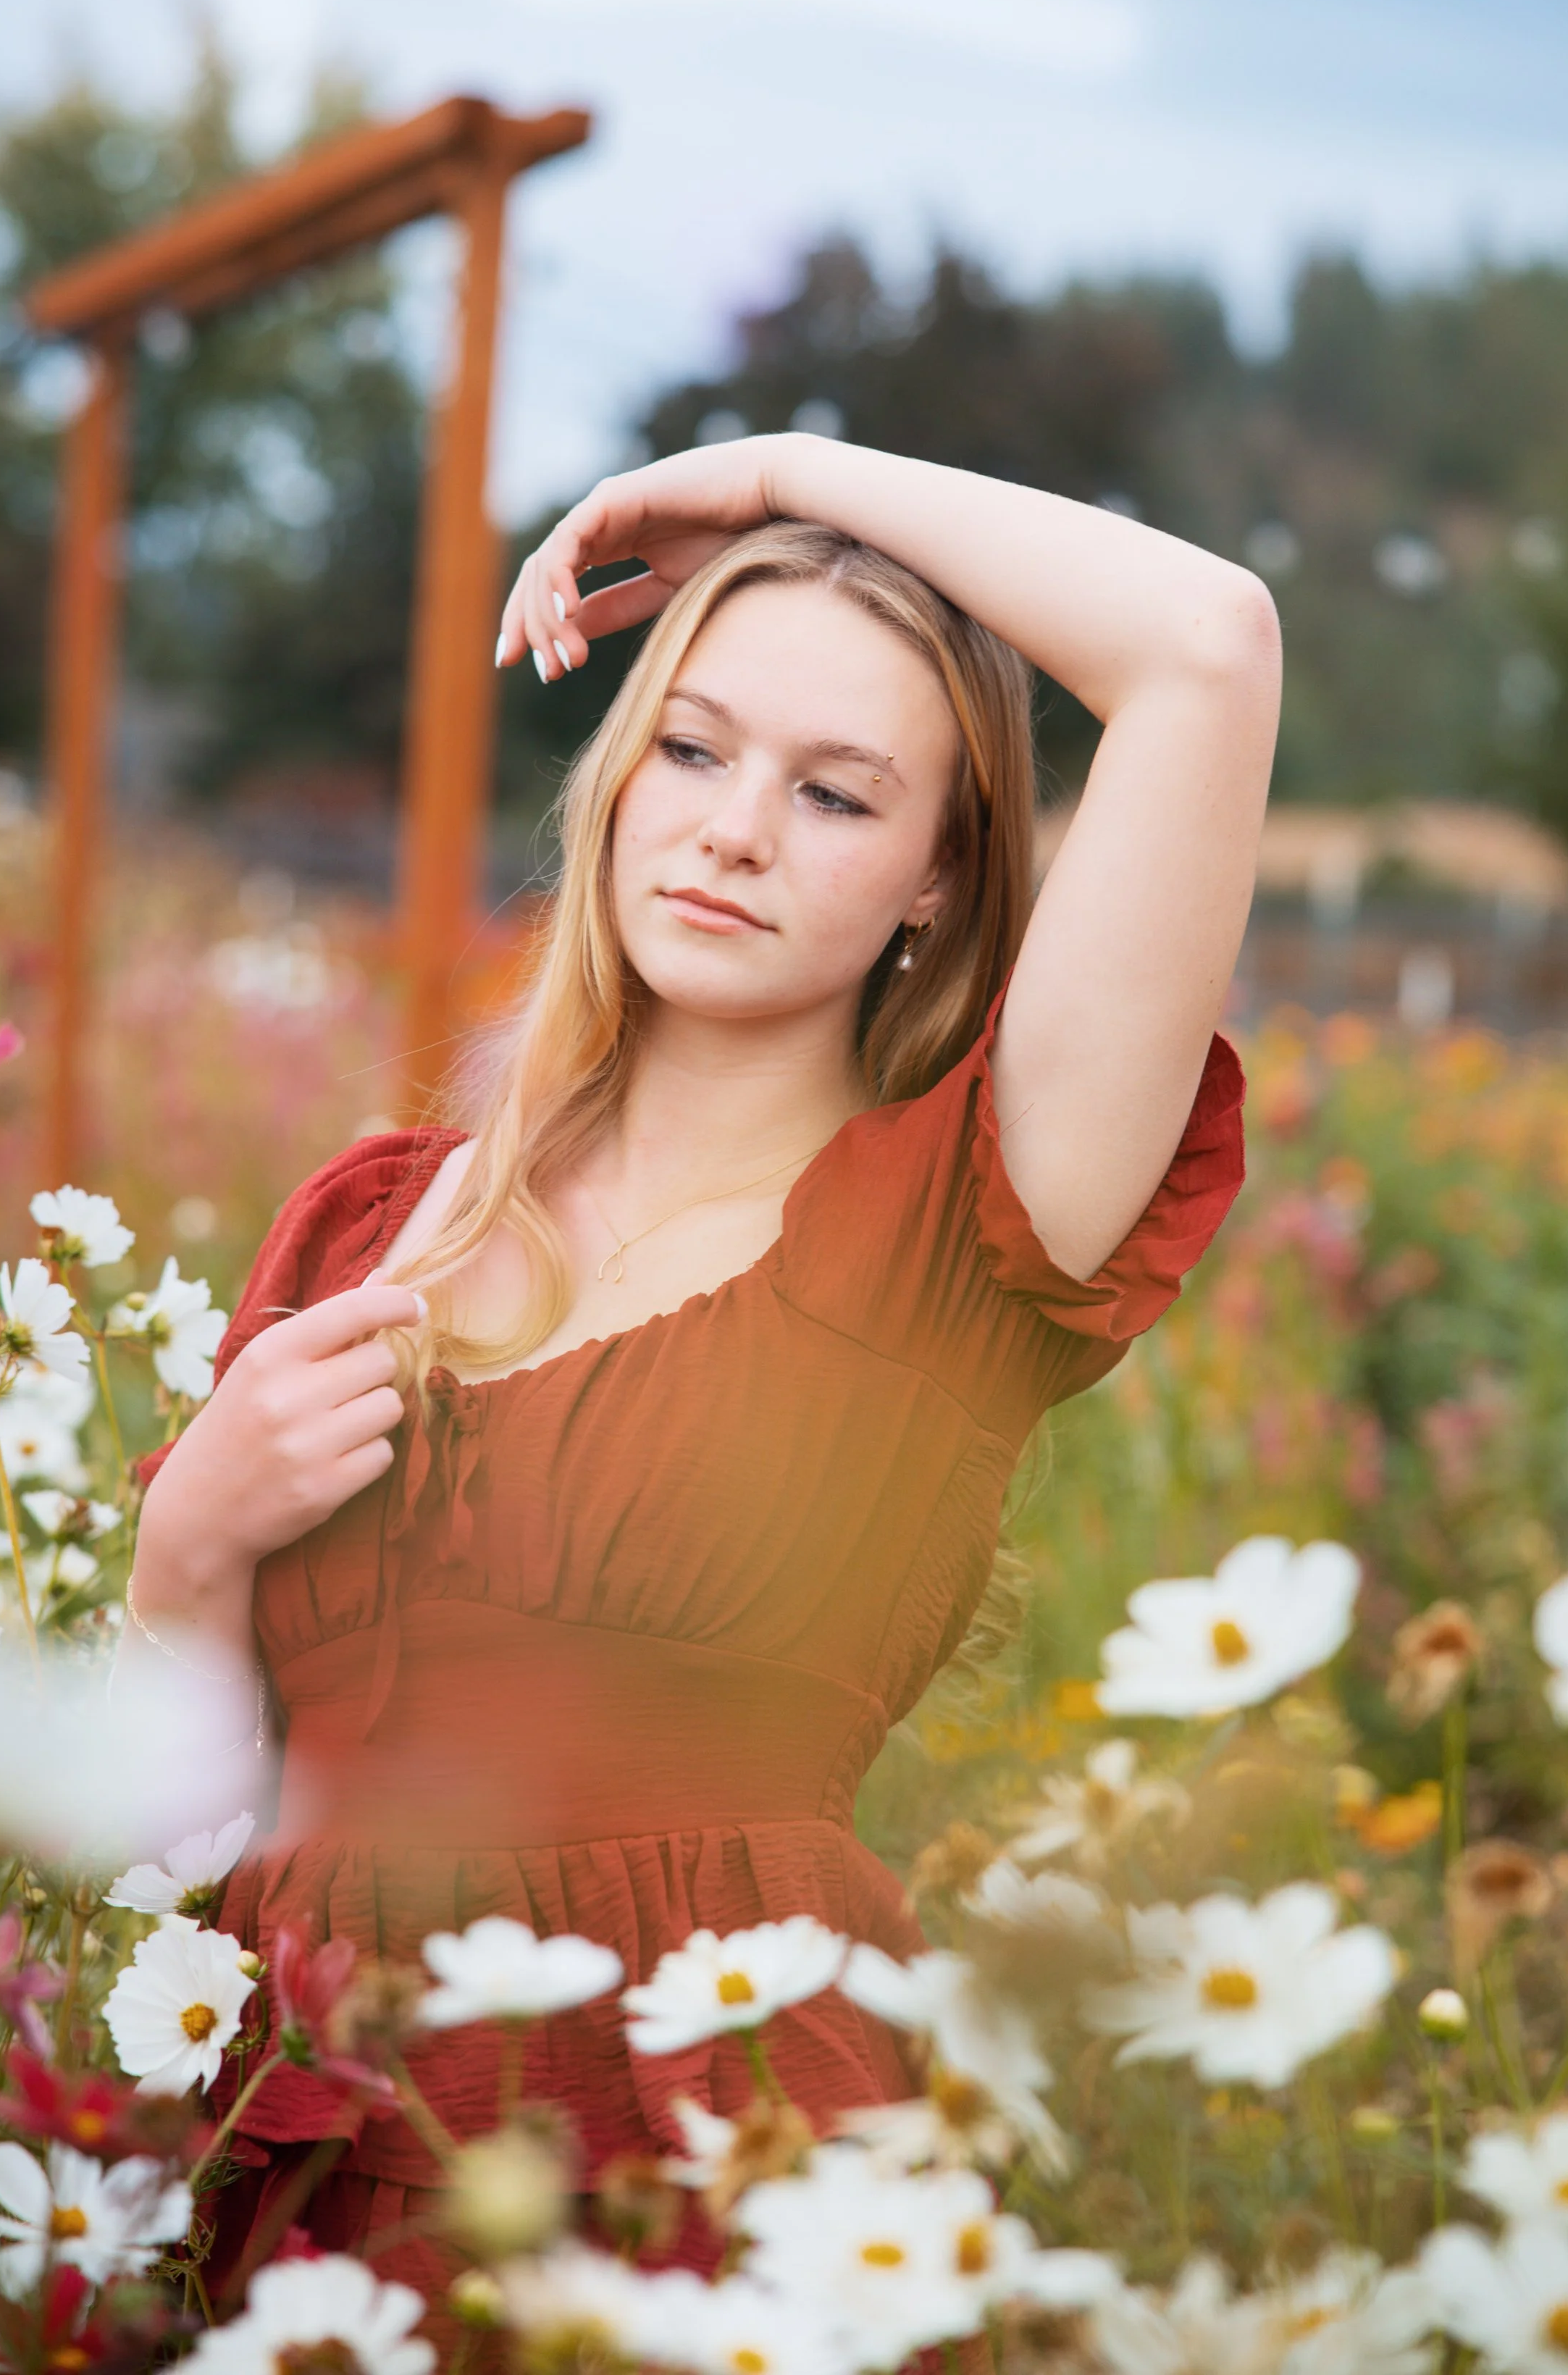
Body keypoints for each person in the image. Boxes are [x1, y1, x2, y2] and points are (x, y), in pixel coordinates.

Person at [125, 434, 1279, 2332]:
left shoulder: (954, 1228)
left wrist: (770, 475)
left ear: (936, 877)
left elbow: (1207, 645)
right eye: (690, 748)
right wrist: (185, 1555)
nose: (733, 828)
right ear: (611, 778)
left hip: (714, 2157)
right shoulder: (365, 1228)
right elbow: (163, 1835)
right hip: (310, 2156)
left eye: (836, 793)